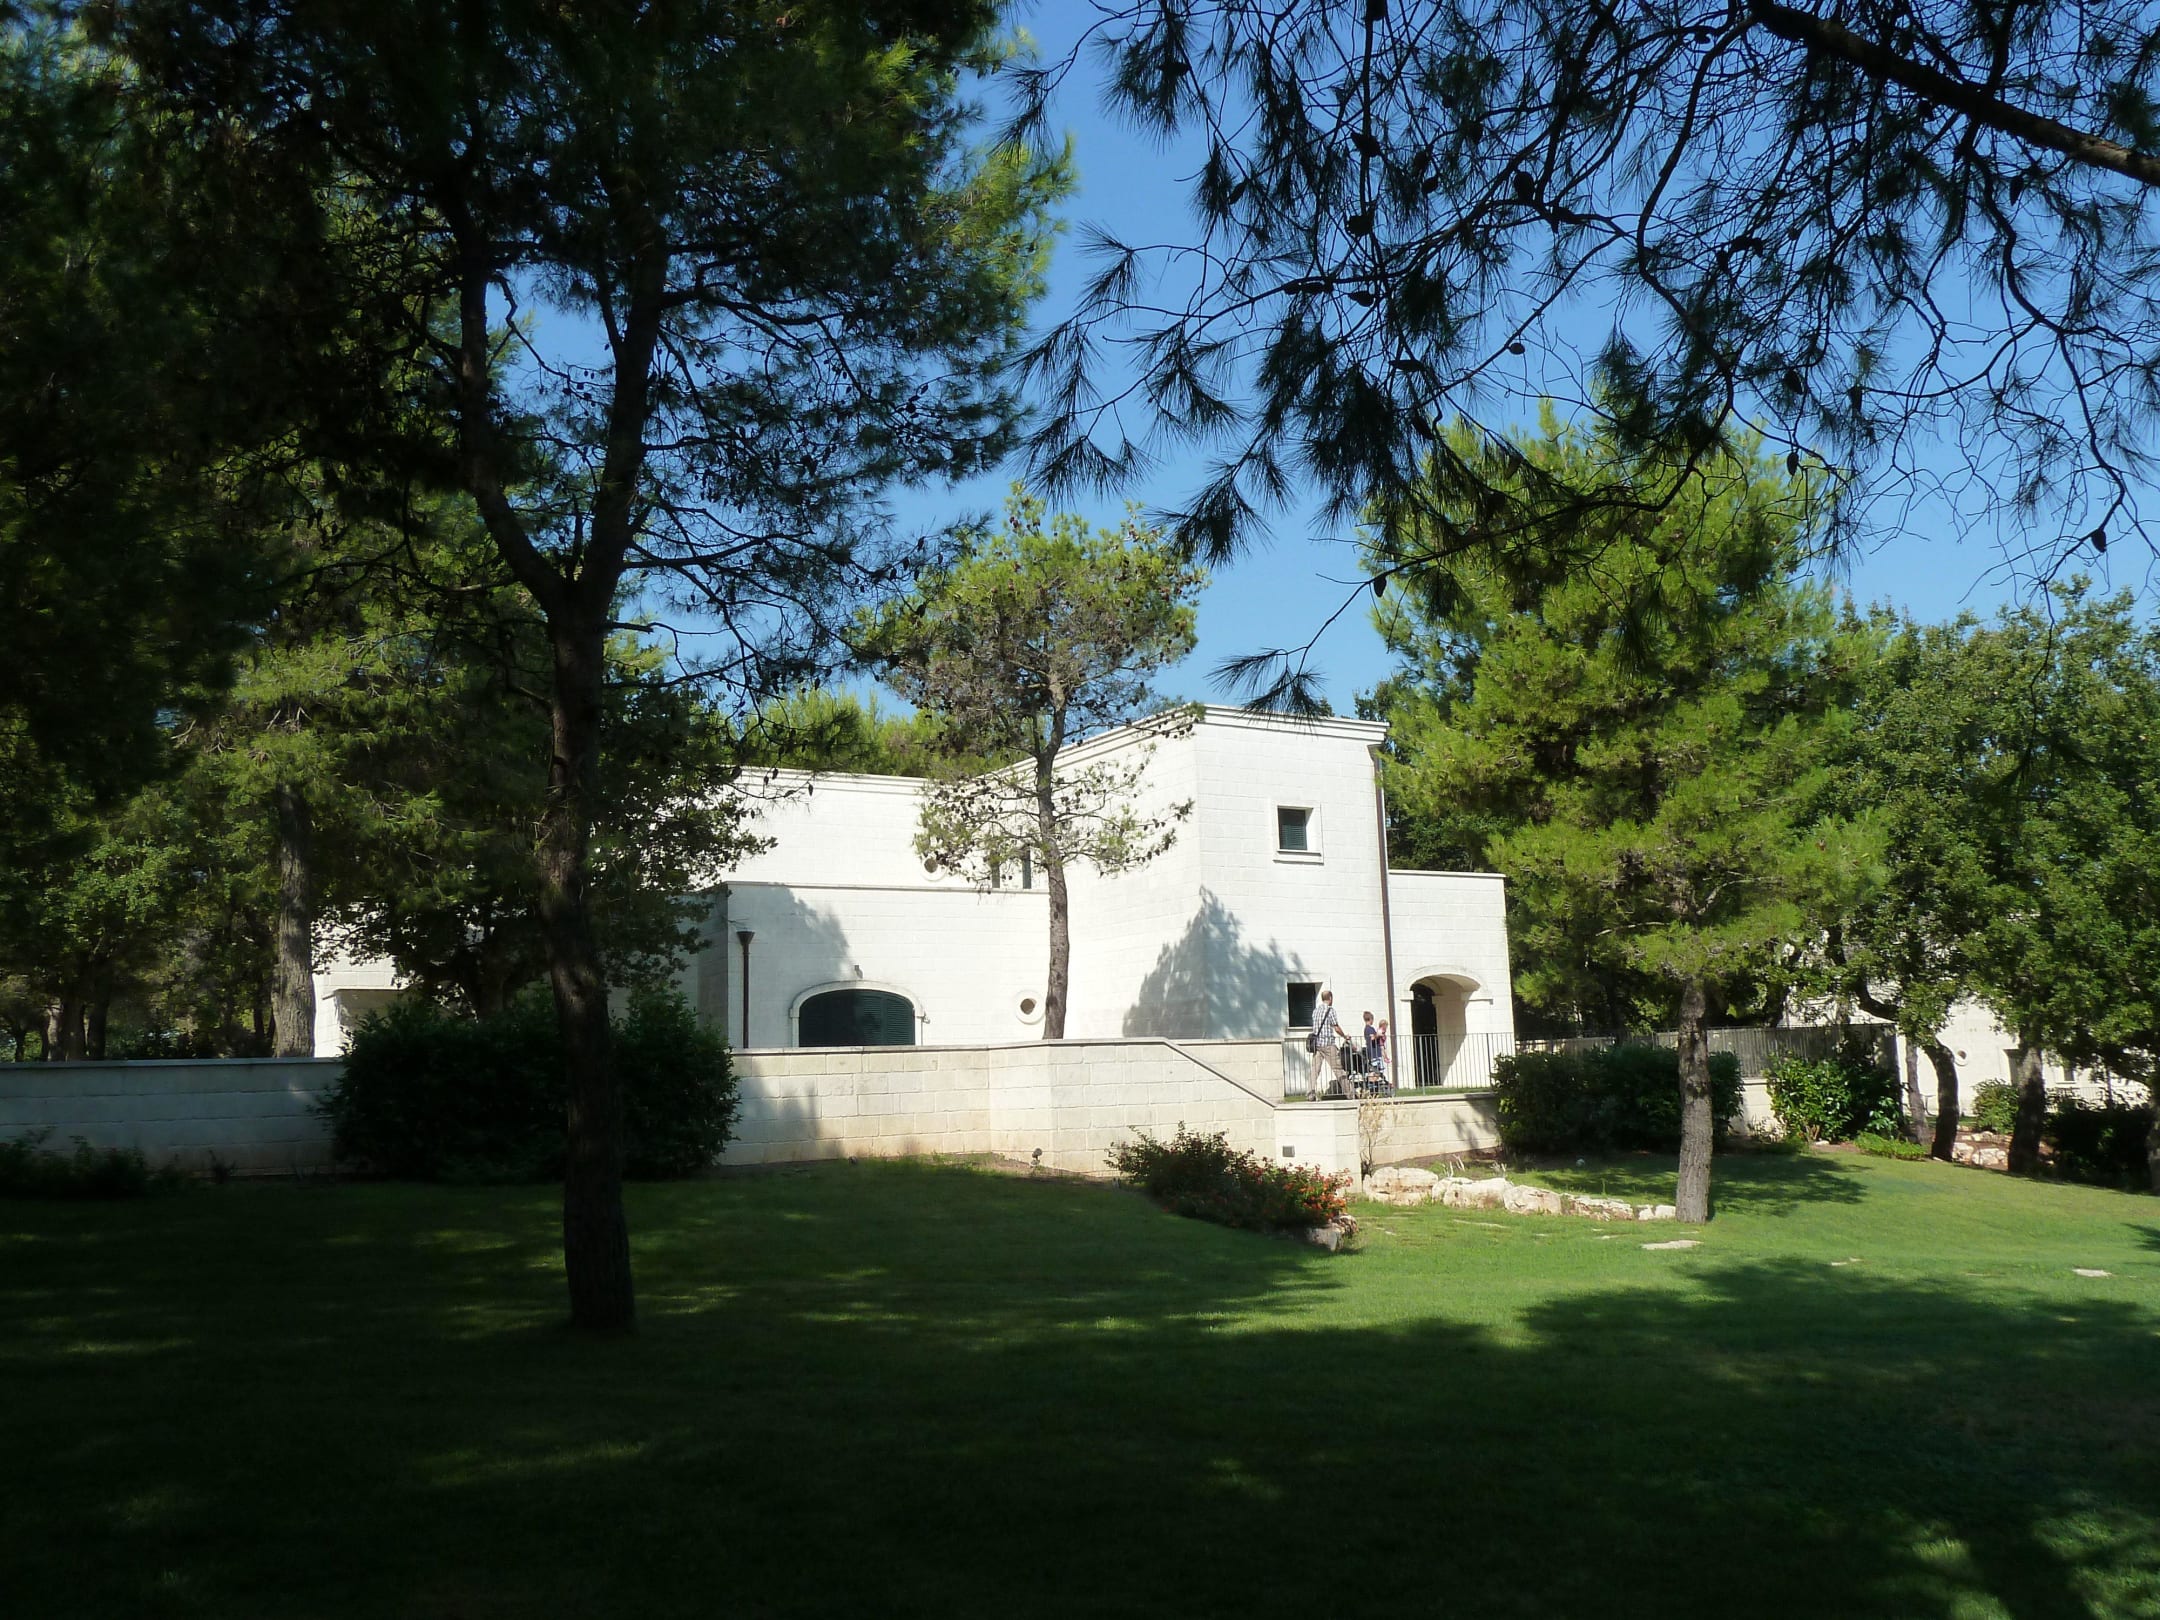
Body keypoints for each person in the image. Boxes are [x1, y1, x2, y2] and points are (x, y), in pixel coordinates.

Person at [1308, 989, 1346, 1098]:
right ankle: (1350, 1093)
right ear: (1330, 998)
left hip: (1317, 1045)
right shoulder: (1330, 1010)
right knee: (1338, 1069)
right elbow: (1336, 1027)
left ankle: (1310, 1093)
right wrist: (1344, 1036)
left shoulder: (1315, 1011)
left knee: (1315, 1070)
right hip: (1328, 1044)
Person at [1362, 1013, 1388, 1091]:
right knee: (1376, 1071)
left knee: (1376, 1071)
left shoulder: (1367, 1029)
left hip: (1374, 1052)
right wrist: (1378, 1034)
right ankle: (1371, 1086)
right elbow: (1373, 1038)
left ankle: (1373, 1086)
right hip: (1374, 1053)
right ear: (1371, 1019)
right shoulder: (1369, 1029)